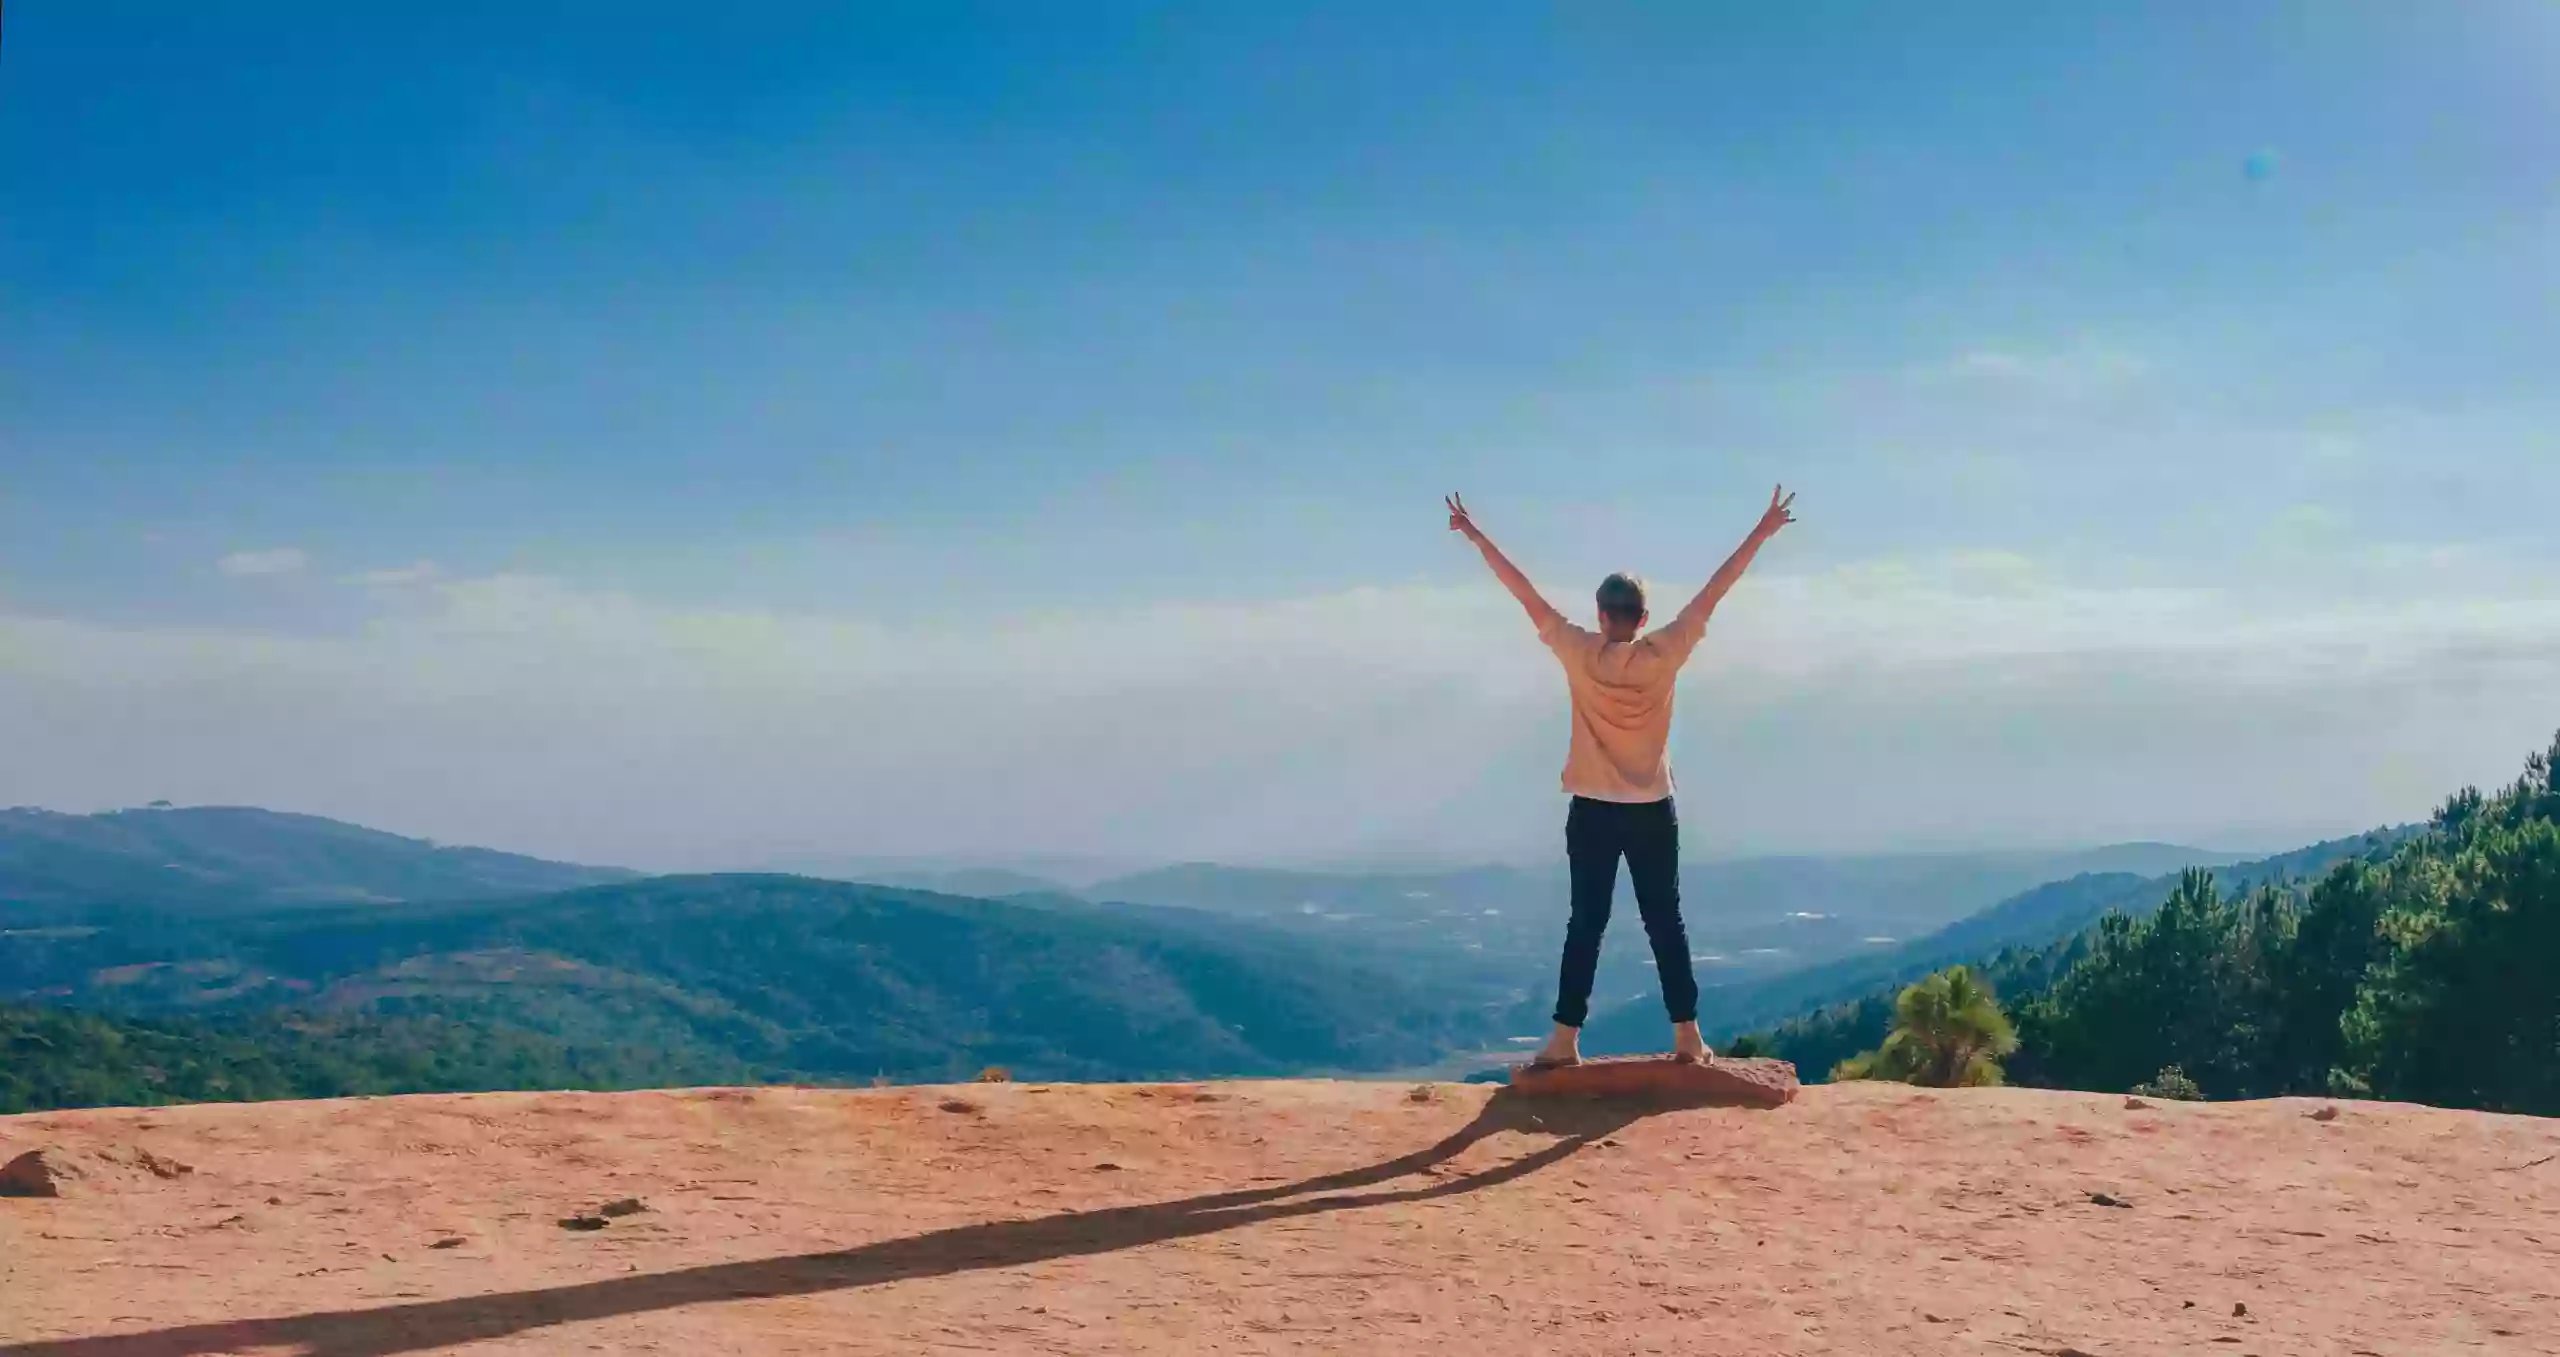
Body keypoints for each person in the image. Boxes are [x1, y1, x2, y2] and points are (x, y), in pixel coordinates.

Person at [1447, 486, 1797, 1068]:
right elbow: (1715, 591)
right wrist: (1762, 531)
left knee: (1586, 920)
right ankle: (1688, 1037)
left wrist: (1476, 534)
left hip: (1592, 809)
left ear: (1601, 615)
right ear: (1644, 617)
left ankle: (1565, 1039)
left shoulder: (1578, 652)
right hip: (1653, 808)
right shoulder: (1666, 652)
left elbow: (1524, 593)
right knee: (1666, 919)